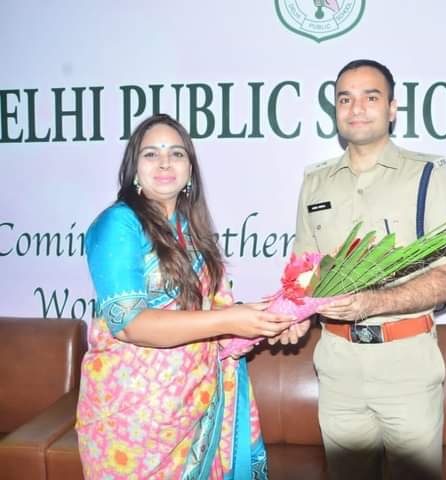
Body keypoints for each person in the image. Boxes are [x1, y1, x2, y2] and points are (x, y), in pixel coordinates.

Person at [75, 113, 294, 479]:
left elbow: (215, 312)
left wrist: (271, 317)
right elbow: (129, 324)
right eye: (151, 154)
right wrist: (231, 320)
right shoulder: (118, 224)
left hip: (194, 408)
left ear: (190, 171)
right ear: (133, 169)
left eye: (176, 153)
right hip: (132, 422)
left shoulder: (192, 232)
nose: (165, 162)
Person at [289, 59, 446, 480]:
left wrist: (372, 303)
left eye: (370, 97)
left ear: (392, 108)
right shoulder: (315, 182)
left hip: (406, 365)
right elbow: (303, 272)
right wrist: (290, 312)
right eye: (345, 99)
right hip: (337, 365)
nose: (356, 108)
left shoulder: (429, 175)